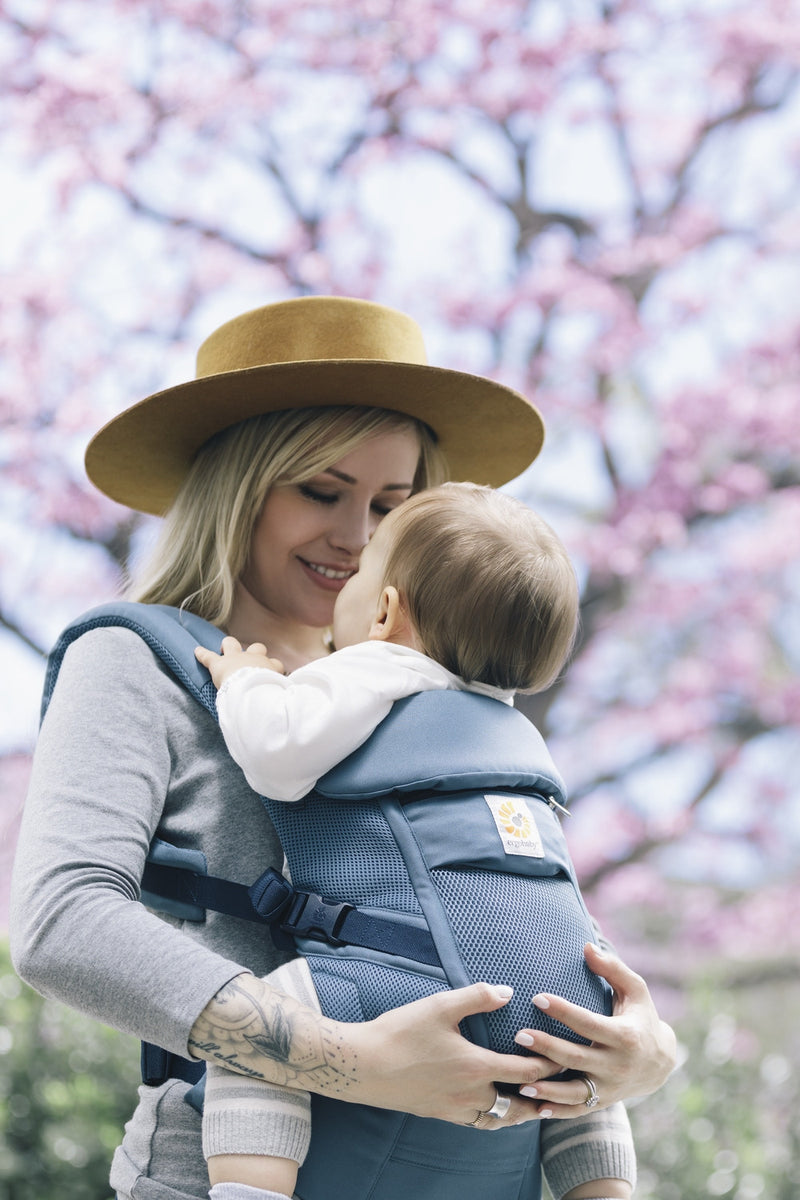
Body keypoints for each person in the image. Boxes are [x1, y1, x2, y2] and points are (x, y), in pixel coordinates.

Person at [10, 296, 676, 1200]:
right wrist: (347, 1059)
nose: (355, 536)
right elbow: (63, 922)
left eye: (390, 505)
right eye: (319, 492)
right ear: (238, 486)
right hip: (221, 1169)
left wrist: (639, 1051)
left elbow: (507, 903)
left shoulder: (431, 689)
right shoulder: (136, 662)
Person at [194, 481, 638, 1200]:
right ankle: (606, 1192)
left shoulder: (373, 673)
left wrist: (244, 681)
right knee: (580, 1067)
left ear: (384, 611)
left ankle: (250, 1192)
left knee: (259, 1034)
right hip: (565, 992)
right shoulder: (508, 726)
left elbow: (273, 749)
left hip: (416, 981)